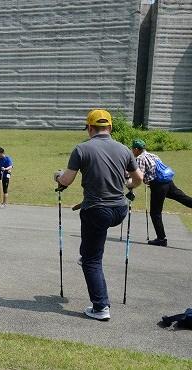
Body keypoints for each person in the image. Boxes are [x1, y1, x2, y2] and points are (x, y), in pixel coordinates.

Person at [54, 109, 143, 321]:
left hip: (97, 211)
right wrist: (128, 185)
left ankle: (101, 307)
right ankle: (86, 255)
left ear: (90, 128)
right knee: (91, 251)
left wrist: (57, 175)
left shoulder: (81, 149)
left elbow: (66, 180)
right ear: (110, 128)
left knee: (92, 261)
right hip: (120, 210)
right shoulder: (124, 149)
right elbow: (138, 178)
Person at [131, 139, 192, 247]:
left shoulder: (140, 158)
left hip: (158, 186)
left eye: (132, 149)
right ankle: (161, 238)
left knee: (155, 213)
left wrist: (130, 182)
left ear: (136, 149)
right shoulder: (153, 155)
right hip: (168, 182)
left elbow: (139, 175)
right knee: (182, 198)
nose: (132, 151)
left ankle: (161, 239)